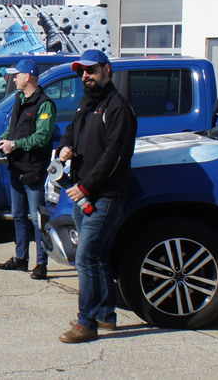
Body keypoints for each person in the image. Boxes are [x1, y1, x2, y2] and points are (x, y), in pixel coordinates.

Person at [55, 49, 137, 344]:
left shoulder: (118, 108)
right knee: (98, 257)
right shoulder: (87, 105)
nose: (85, 76)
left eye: (91, 70)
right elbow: (71, 132)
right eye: (82, 72)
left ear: (107, 70)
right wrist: (64, 147)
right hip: (83, 195)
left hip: (105, 196)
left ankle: (86, 322)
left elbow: (115, 157)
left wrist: (86, 187)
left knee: (86, 257)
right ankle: (105, 316)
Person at [0, 59, 56, 280]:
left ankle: (41, 264)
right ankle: (21, 259)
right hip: (16, 166)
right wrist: (3, 141)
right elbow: (13, 130)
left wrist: (15, 145)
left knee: (38, 219)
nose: (14, 78)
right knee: (18, 215)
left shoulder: (45, 104)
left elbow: (42, 137)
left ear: (27, 76)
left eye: (17, 75)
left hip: (33, 168)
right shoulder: (19, 99)